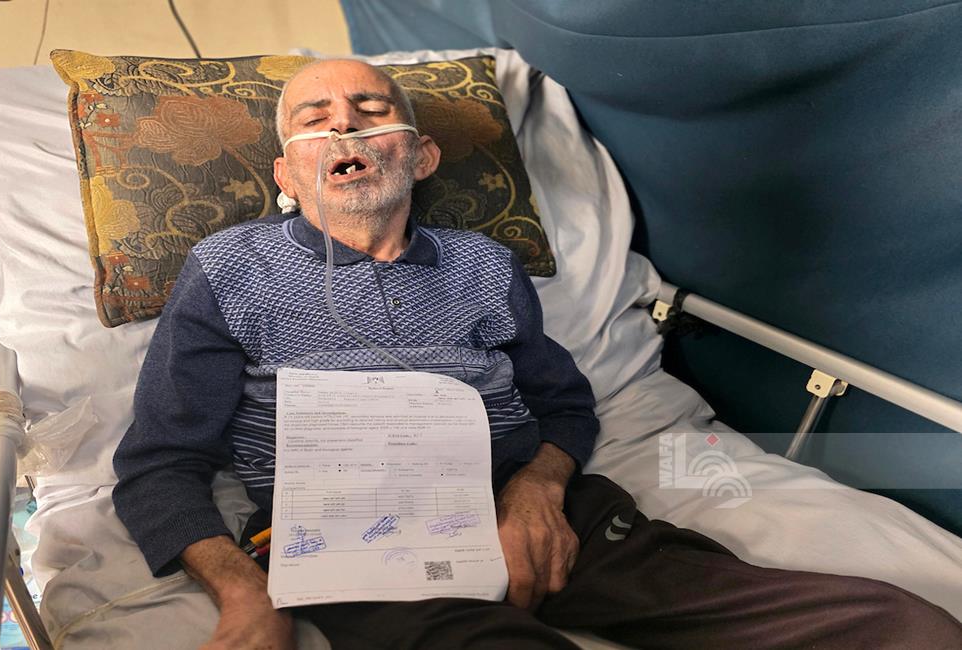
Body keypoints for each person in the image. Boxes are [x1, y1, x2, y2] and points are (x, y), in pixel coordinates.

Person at [112, 59, 962, 649]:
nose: (344, 124)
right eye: (314, 118)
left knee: (896, 627)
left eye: (372, 111)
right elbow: (159, 466)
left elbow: (563, 404)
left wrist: (536, 490)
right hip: (353, 538)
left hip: (541, 513)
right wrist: (247, 595)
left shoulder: (485, 266)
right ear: (287, 174)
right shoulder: (228, 271)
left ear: (421, 154)